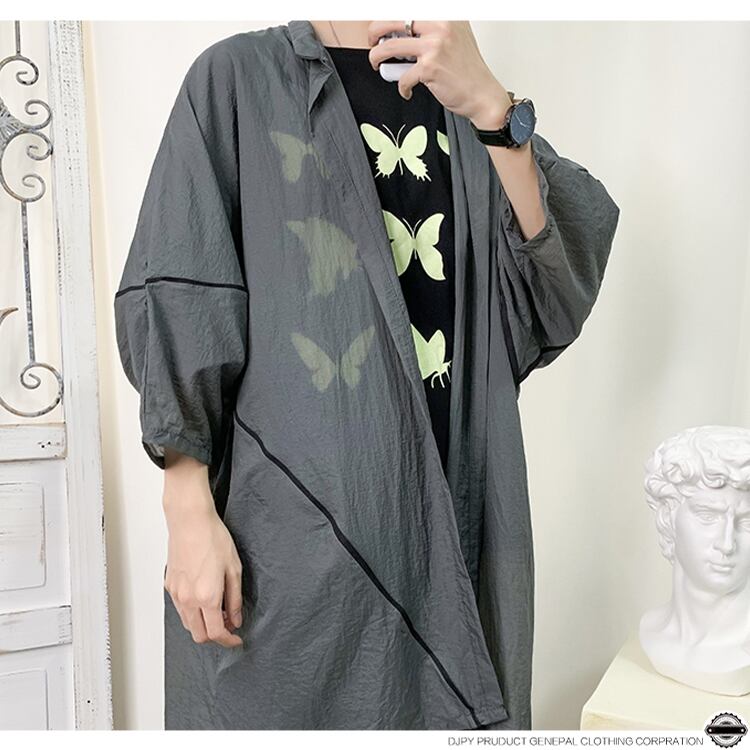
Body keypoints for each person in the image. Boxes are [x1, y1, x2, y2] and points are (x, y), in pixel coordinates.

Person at [114, 19, 620, 730]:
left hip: (457, 536)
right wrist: (186, 508)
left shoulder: (463, 97)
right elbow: (182, 289)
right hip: (292, 551)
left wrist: (493, 109)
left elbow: (552, 295)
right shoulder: (238, 79)